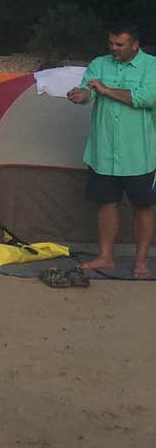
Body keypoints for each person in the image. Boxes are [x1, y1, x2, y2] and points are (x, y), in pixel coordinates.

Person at [66, 26, 156, 278]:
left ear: (135, 45)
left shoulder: (152, 67)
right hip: (102, 151)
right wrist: (80, 95)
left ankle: (141, 261)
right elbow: (89, 92)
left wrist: (106, 90)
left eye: (119, 45)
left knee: (143, 206)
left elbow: (146, 98)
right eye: (111, 44)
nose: (113, 49)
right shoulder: (99, 64)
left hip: (141, 153)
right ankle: (106, 258)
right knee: (106, 204)